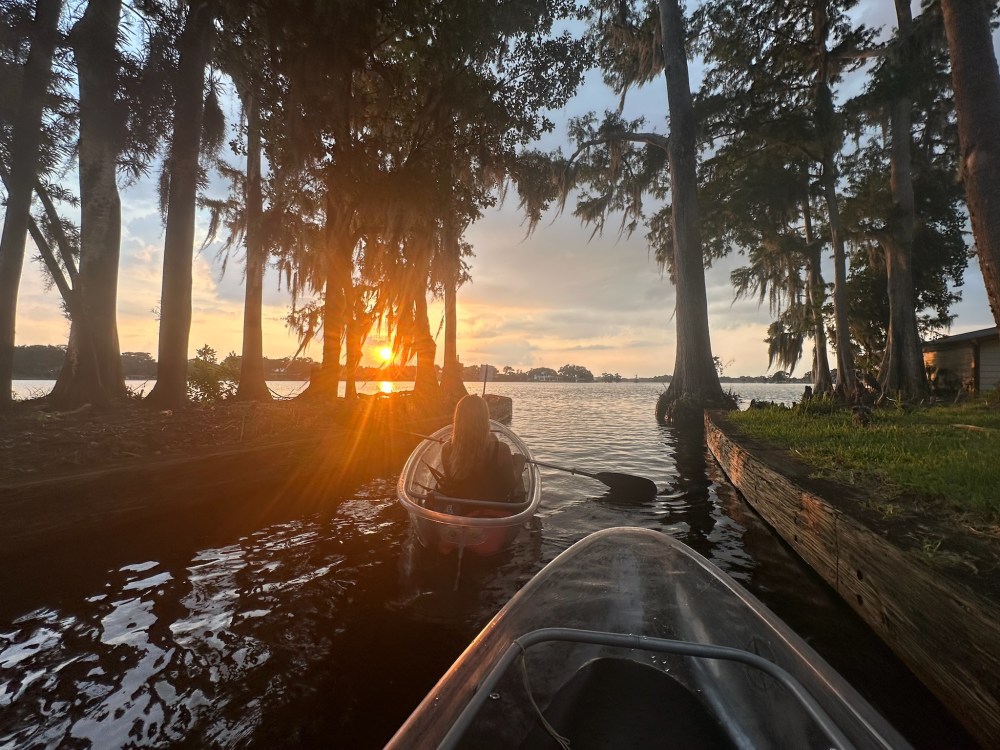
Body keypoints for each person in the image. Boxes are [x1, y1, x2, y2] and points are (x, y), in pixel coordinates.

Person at [439, 394, 526, 502]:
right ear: (485, 418)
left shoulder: (446, 449)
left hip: (462, 511)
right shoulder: (501, 449)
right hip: (496, 511)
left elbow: (450, 483)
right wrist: (520, 463)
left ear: (458, 418)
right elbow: (509, 486)